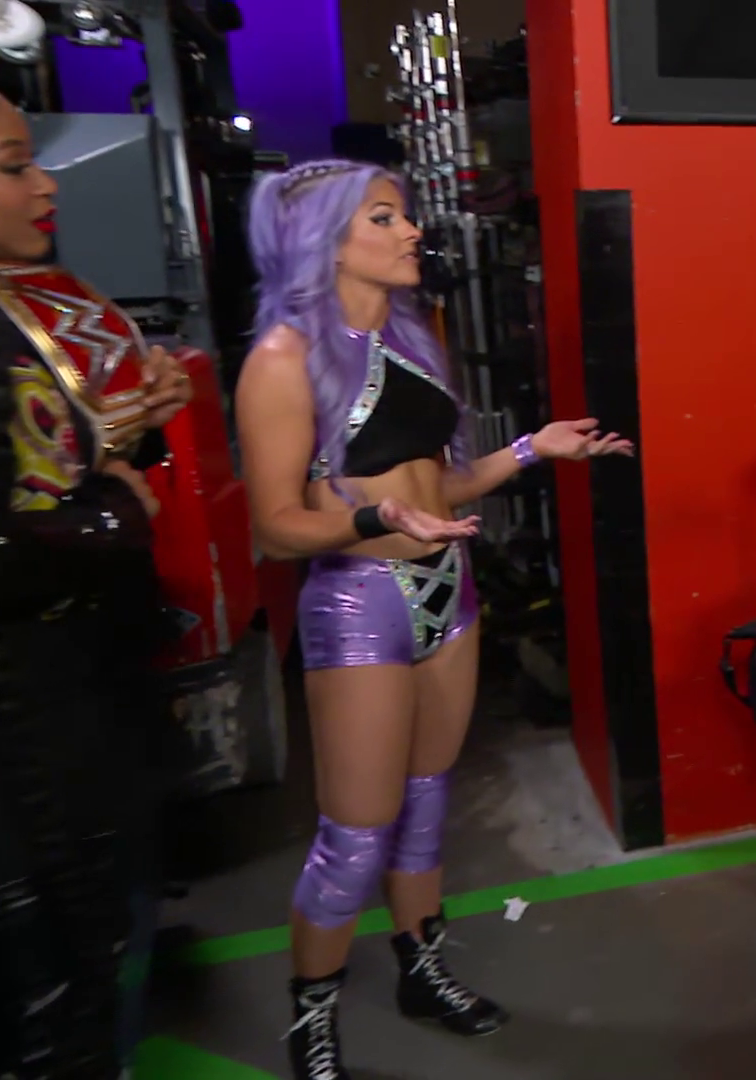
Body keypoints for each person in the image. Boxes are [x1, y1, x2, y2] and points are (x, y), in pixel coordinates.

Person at [235, 159, 634, 1079]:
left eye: (404, 215)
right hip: (358, 602)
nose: (412, 231)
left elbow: (440, 488)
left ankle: (423, 972)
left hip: (450, 592)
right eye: (384, 217)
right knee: (355, 834)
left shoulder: (411, 340)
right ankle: (312, 1020)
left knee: (425, 804)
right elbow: (275, 525)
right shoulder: (284, 358)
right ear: (325, 239)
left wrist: (531, 449)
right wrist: (371, 520)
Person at [0, 69, 193, 1077]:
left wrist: (133, 430)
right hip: (3, 721)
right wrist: (117, 506)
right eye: (15, 166)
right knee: (44, 987)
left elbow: (47, 469)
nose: (46, 183)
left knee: (92, 953)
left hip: (68, 687)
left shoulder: (9, 305)